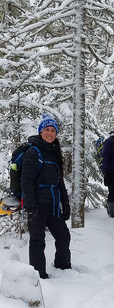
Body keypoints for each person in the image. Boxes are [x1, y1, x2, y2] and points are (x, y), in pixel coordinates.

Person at [21, 114, 71, 279]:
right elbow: (26, 182)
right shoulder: (32, 152)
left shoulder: (54, 152)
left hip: (54, 203)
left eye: (53, 130)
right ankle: (38, 276)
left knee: (64, 236)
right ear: (40, 132)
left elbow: (60, 182)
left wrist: (66, 203)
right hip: (37, 203)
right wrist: (31, 208)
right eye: (47, 130)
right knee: (37, 239)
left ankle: (63, 267)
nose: (50, 133)